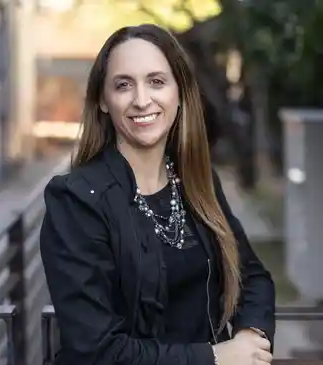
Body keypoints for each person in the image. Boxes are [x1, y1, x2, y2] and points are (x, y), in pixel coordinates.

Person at [40, 24, 275, 365]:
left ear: (179, 93)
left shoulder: (197, 180)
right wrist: (216, 357)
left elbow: (252, 277)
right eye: (123, 85)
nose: (141, 100)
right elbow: (96, 350)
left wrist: (250, 339)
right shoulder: (76, 201)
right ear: (103, 102)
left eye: (156, 81)